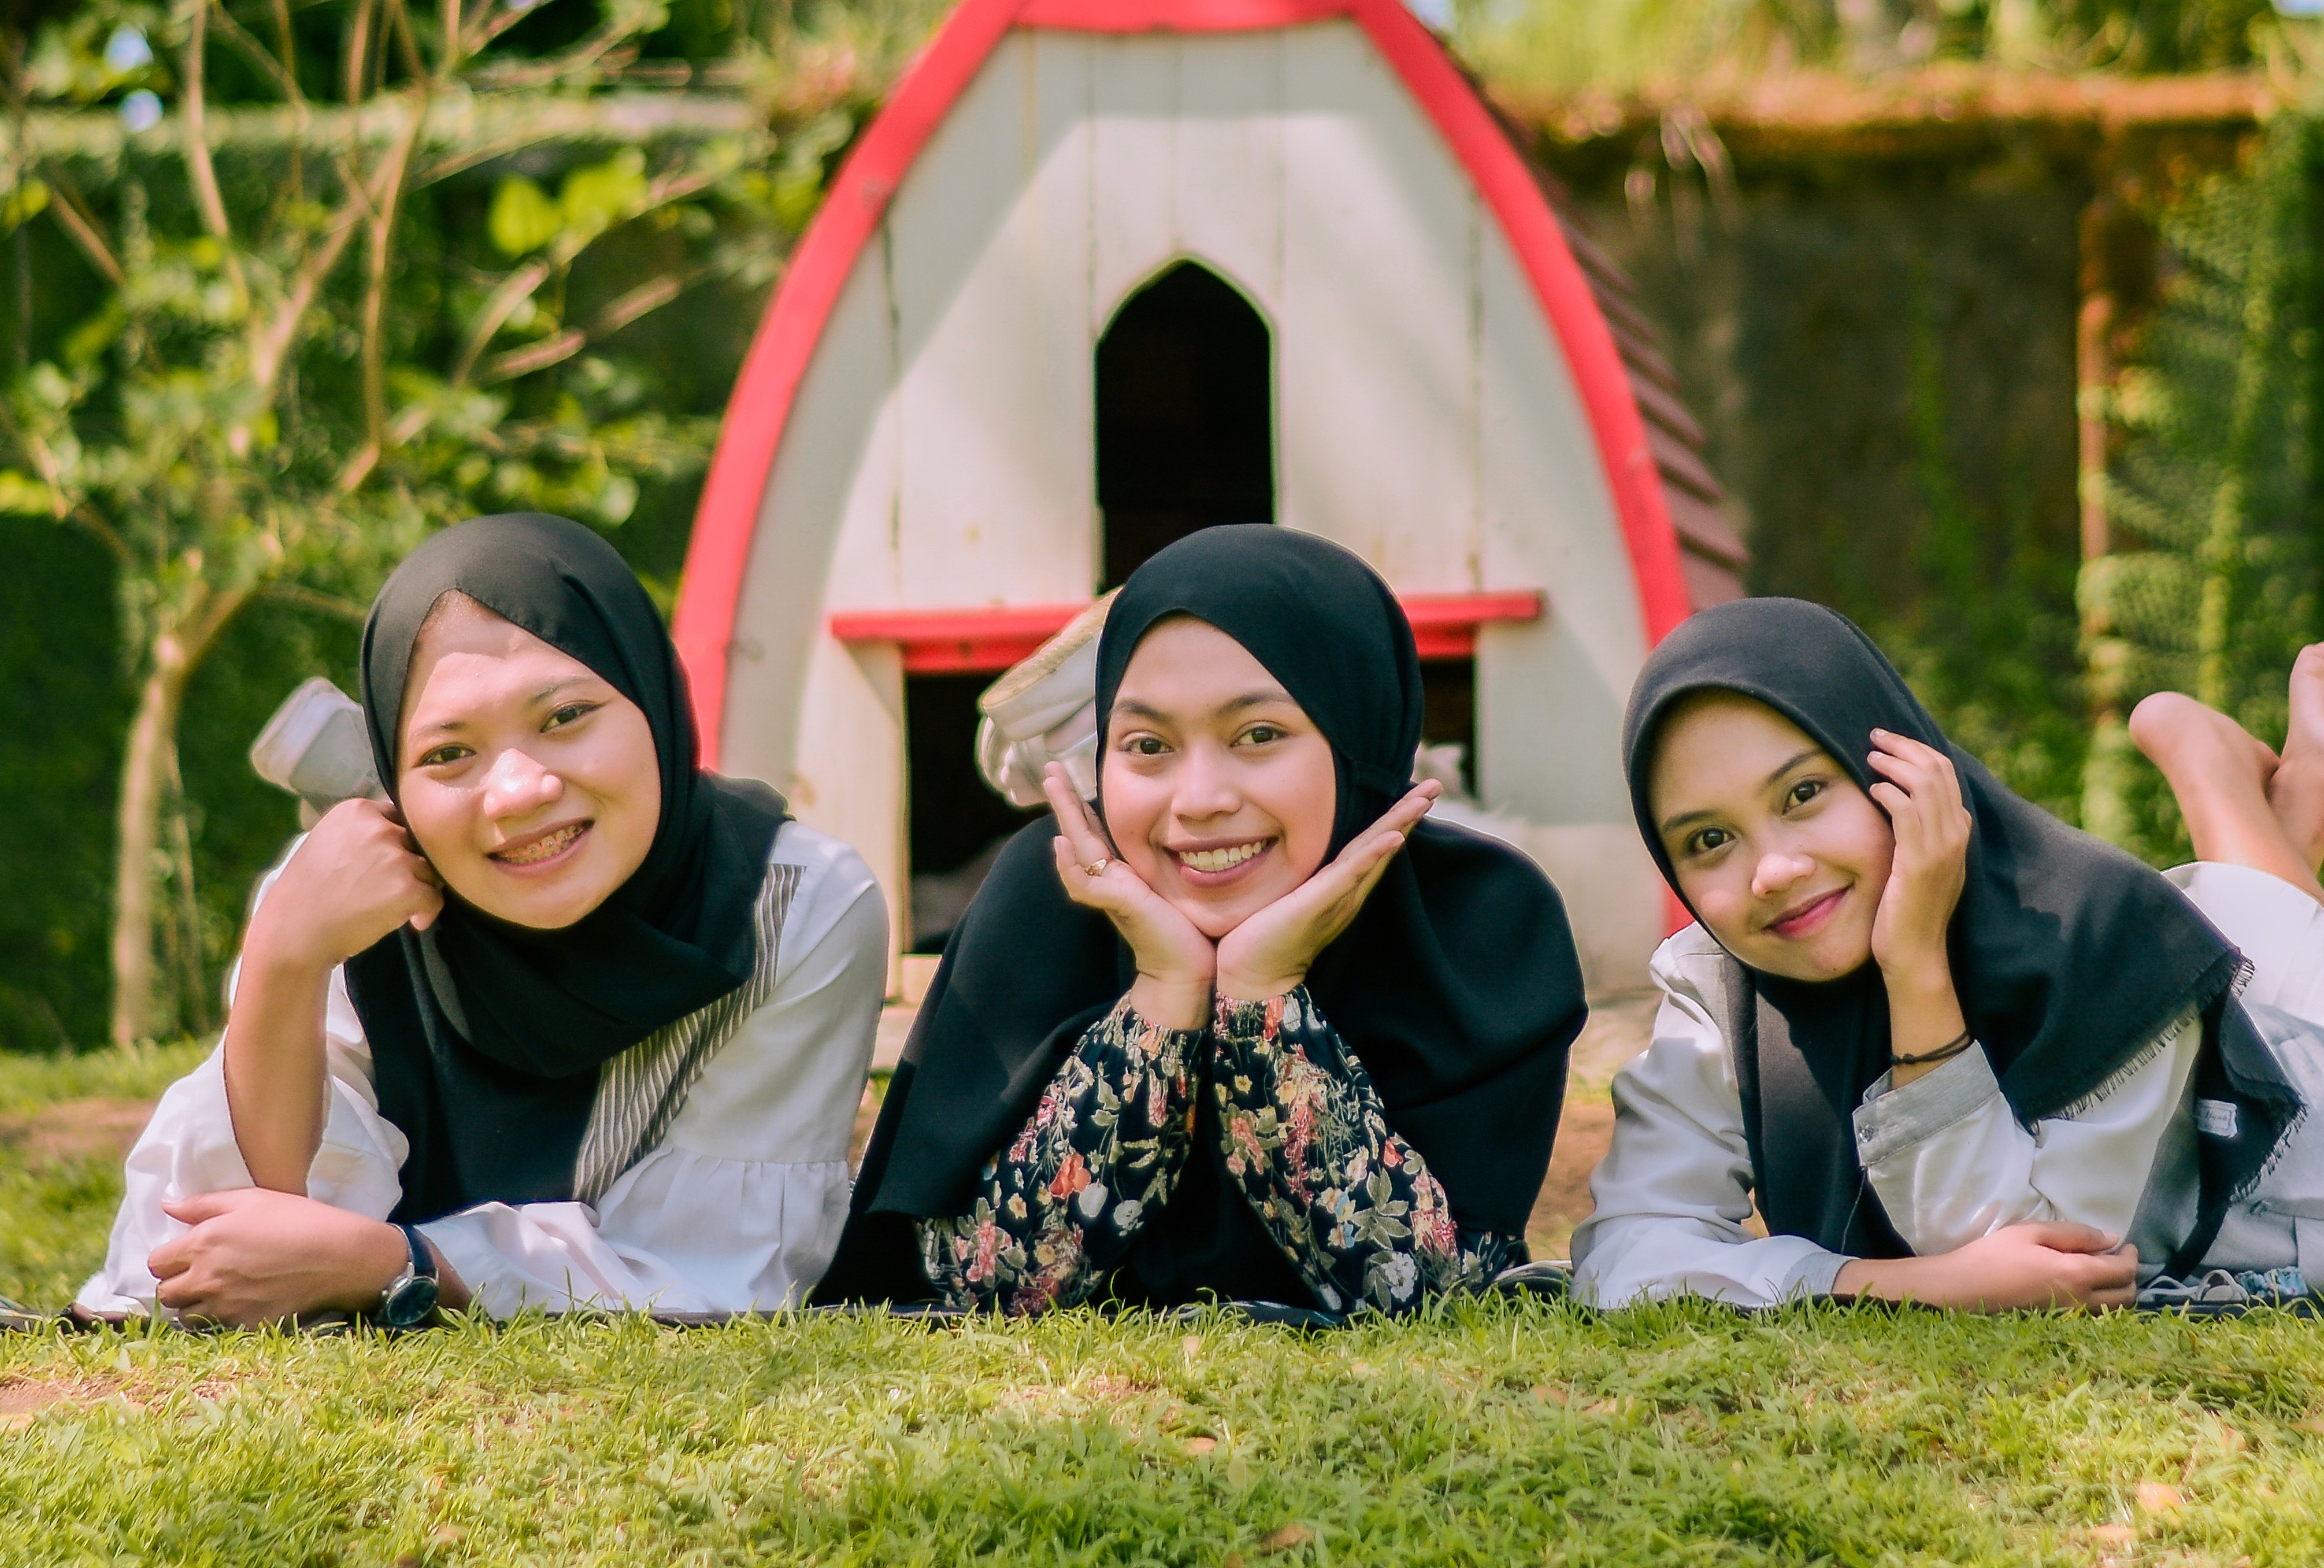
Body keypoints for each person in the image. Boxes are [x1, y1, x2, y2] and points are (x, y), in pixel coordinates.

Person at [1574, 600, 2324, 1312]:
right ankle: (2281, 802)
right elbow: (1626, 1252)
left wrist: (1917, 975)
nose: (1771, 872)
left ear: (1899, 767)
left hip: (2312, 1124)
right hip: (2226, 956)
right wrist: (1886, 1285)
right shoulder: (1722, 988)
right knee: (2250, 914)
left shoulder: (2100, 939)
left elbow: (2043, 1252)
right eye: (1708, 840)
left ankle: (2251, 796)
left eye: (1804, 794)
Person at [79, 514, 887, 1323]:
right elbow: (207, 1253)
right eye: (447, 754)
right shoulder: (348, 899)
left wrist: (393, 1262)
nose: (518, 791)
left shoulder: (791, 908)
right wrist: (285, 955)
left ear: (651, 693)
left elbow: (711, 1263)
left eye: (565, 716)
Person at [821, 524, 1585, 1316]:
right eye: (1147, 744)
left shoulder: (1486, 925)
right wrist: (1164, 991)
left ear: (1360, 736)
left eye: (1259, 734)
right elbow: (983, 1284)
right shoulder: (1041, 901)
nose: (1200, 798)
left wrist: (1264, 995)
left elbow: (1428, 1295)